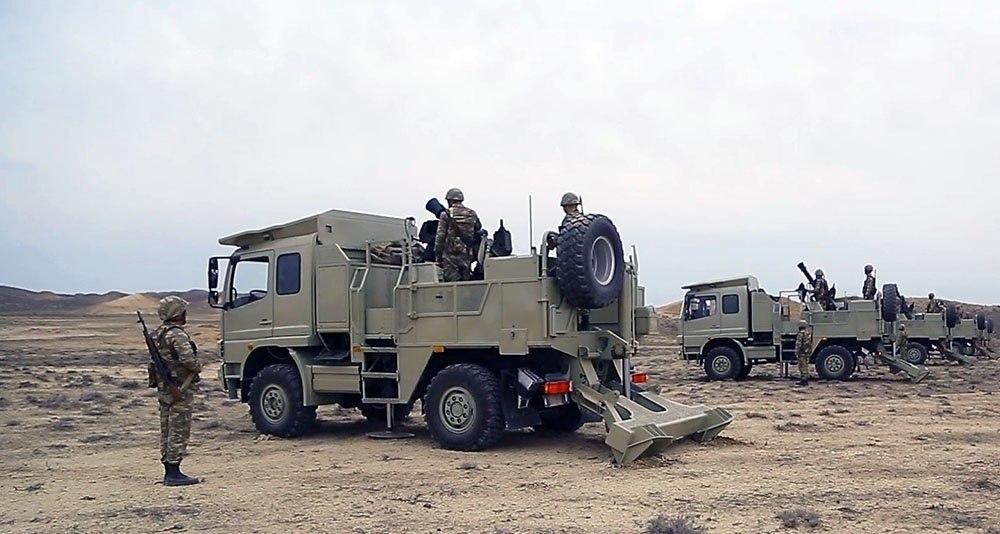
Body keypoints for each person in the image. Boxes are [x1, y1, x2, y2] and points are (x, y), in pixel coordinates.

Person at [150, 296, 202, 486]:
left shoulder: (159, 334)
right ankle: (173, 472)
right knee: (179, 427)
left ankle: (168, 467)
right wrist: (198, 367)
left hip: (166, 388)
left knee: (167, 427)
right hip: (180, 387)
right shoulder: (176, 335)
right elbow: (188, 360)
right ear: (177, 313)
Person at [434, 188, 480, 282]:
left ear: (449, 200)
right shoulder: (472, 214)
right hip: (466, 255)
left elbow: (440, 237)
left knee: (452, 286)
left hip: (450, 256)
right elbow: (478, 228)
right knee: (465, 284)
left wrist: (438, 257)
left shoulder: (446, 214)